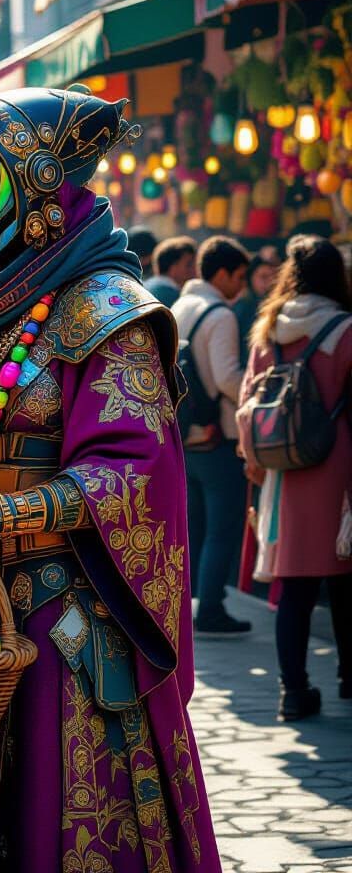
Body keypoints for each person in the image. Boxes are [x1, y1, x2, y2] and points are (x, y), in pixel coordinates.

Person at [0, 85, 220, 873]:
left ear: (39, 197)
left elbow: (130, 473)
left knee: (59, 820)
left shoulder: (109, 312)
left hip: (70, 616)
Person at [238, 235, 352, 721]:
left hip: (284, 467)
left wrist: (255, 459)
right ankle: (349, 677)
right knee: (345, 579)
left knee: (295, 588)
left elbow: (248, 400)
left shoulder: (268, 329)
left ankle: (294, 691)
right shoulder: (345, 330)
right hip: (338, 464)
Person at [172, 235, 251, 636]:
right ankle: (213, 608)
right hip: (215, 437)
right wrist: (255, 391)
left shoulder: (180, 305)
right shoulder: (220, 314)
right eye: (239, 276)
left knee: (193, 529)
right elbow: (226, 377)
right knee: (222, 528)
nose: (243, 286)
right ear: (221, 274)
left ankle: (186, 607)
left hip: (184, 436)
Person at [234, 248, 281, 367]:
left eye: (274, 277)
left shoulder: (276, 307)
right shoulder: (242, 308)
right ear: (250, 278)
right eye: (264, 277)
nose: (271, 282)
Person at [146, 236, 197, 308]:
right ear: (172, 268)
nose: (195, 269)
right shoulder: (171, 296)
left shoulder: (147, 286)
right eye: (189, 264)